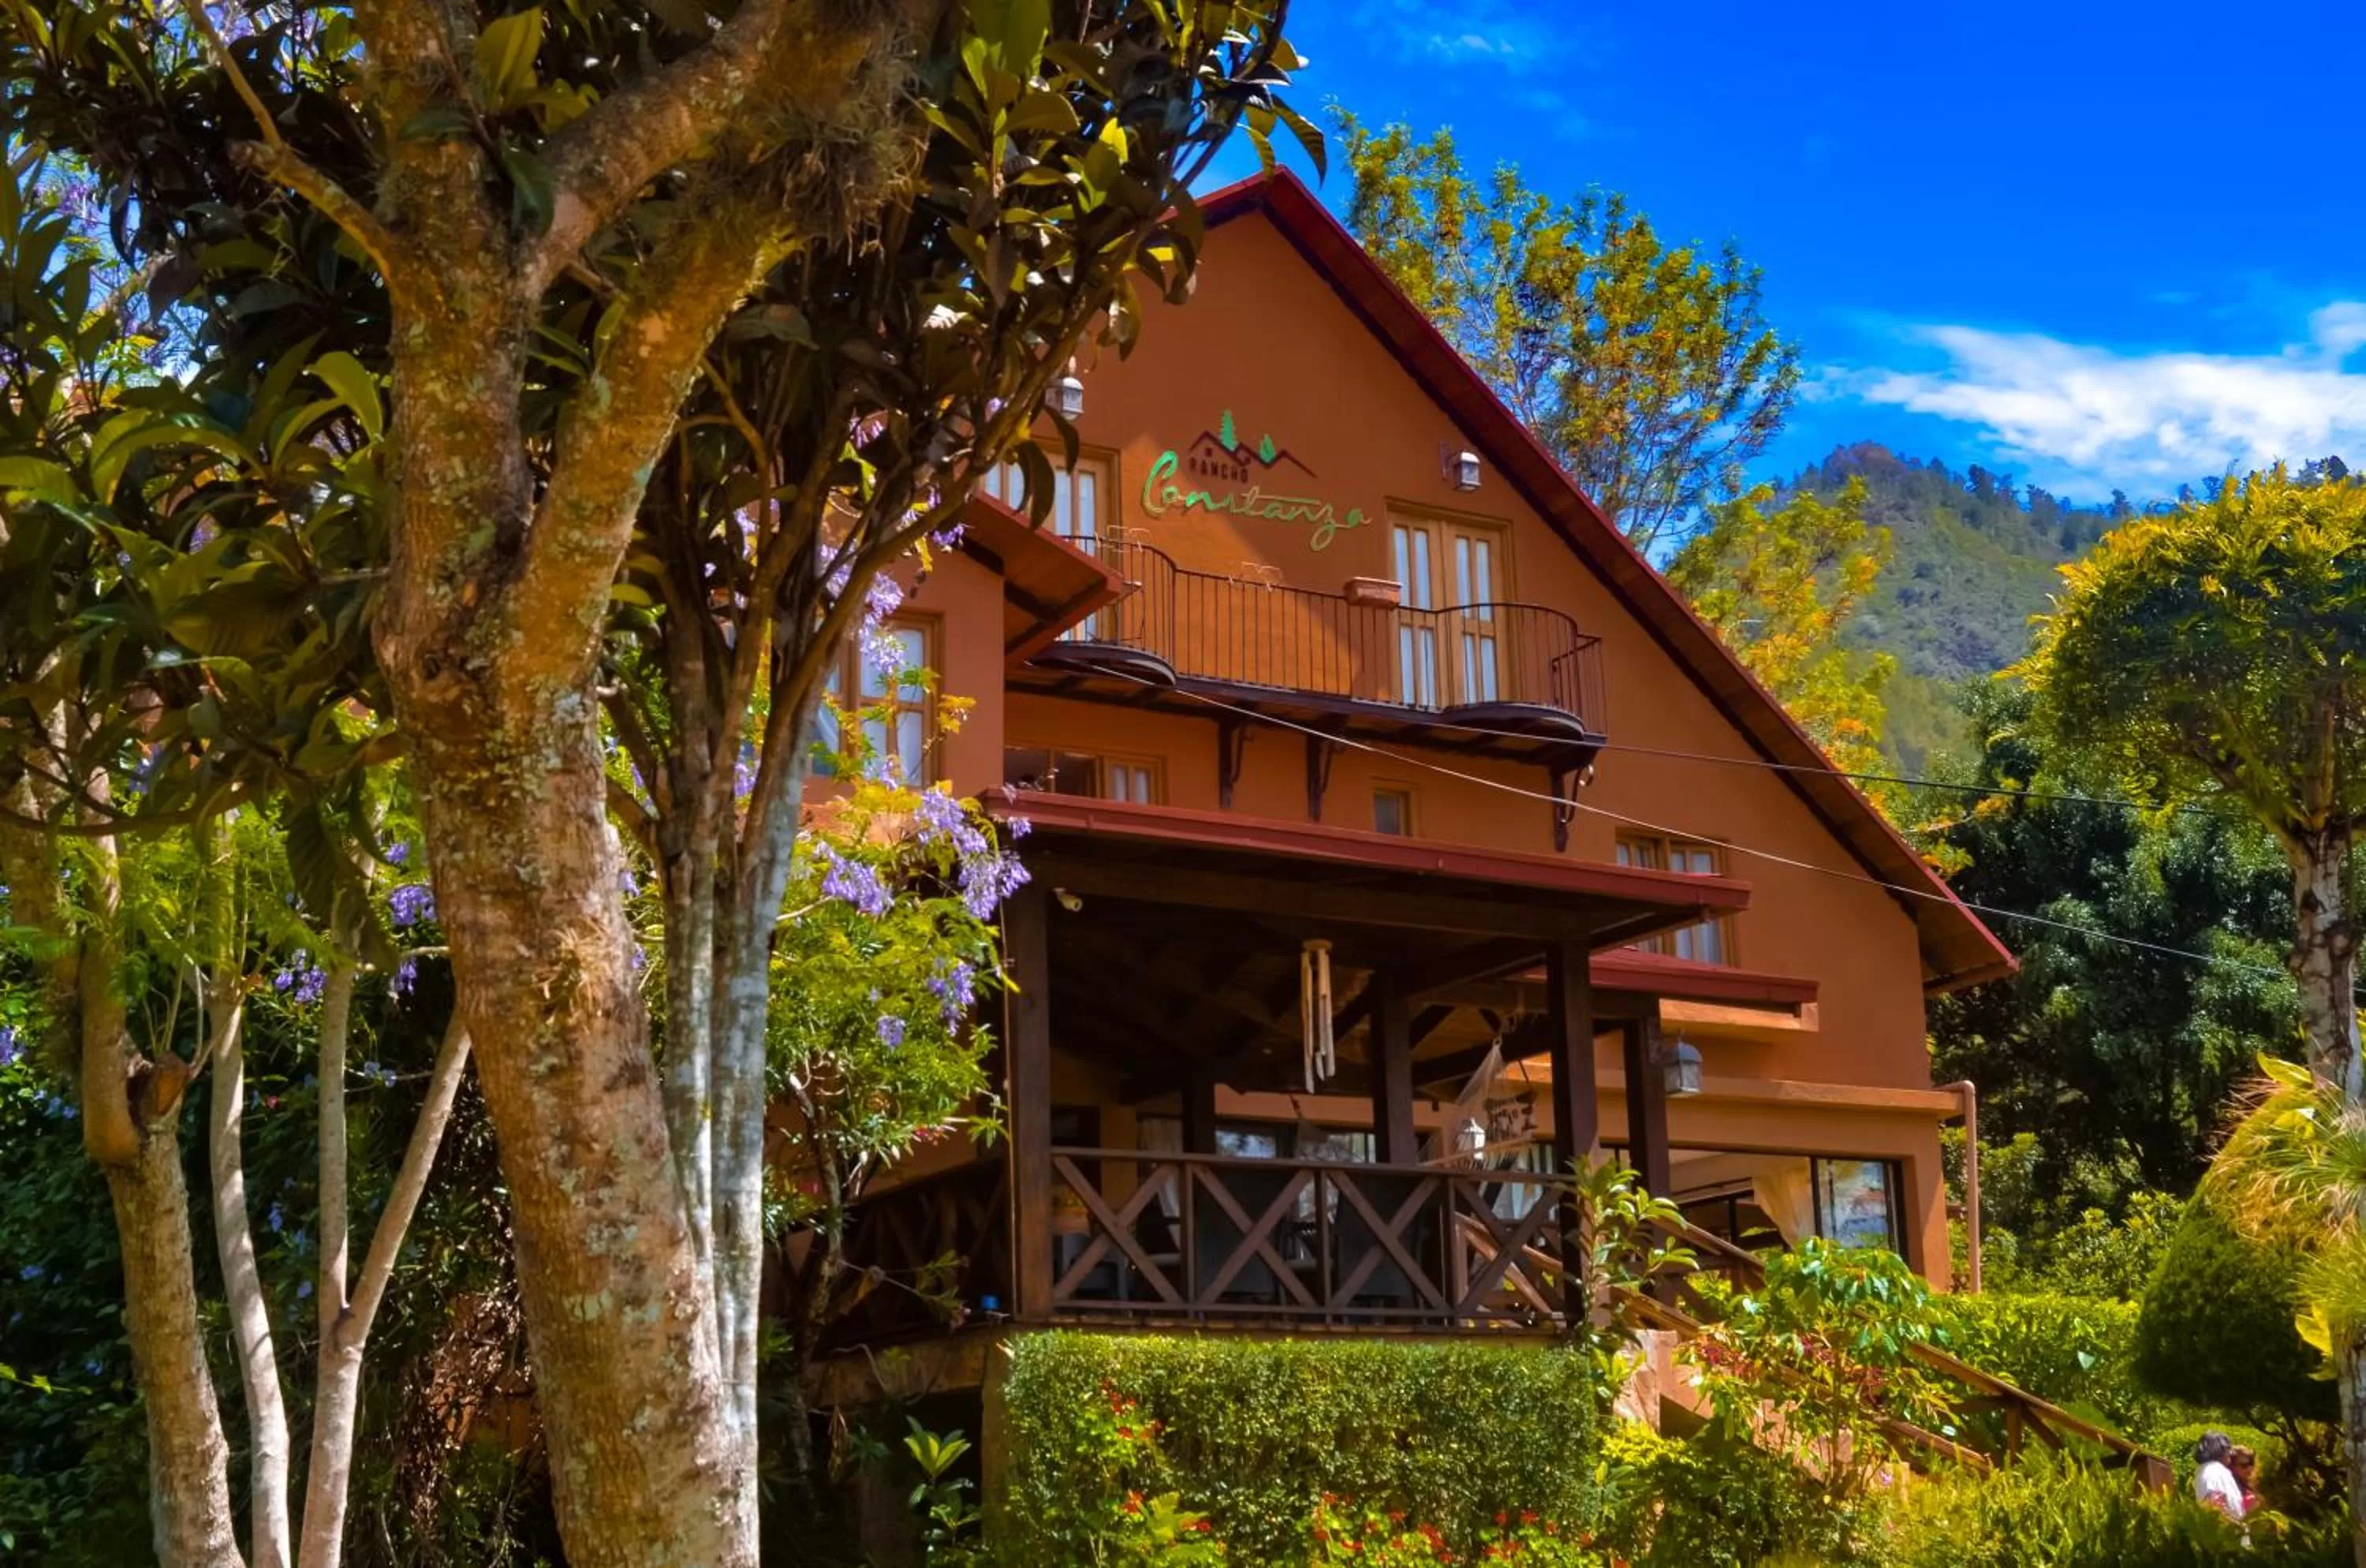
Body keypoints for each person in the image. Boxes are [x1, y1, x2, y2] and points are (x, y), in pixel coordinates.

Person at [2194, 1432, 2245, 1520]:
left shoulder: (2210, 1470)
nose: (2231, 1453)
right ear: (2218, 1450)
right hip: (2226, 1530)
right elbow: (2215, 1503)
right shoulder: (2214, 1472)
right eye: (2228, 1449)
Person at [2230, 1444, 2262, 1516]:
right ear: (2232, 1467)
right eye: (2244, 1465)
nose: (2249, 1468)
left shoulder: (2250, 1485)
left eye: (2251, 1463)